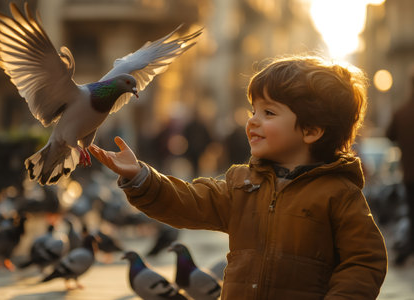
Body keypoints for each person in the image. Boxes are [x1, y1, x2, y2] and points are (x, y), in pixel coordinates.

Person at [89, 55, 387, 299]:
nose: (252, 121)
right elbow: (189, 202)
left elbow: (364, 261)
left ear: (311, 131)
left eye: (269, 113)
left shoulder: (338, 193)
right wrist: (141, 176)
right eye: (253, 110)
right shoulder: (242, 183)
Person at [386, 71, 414, 265]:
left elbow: (389, 135)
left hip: (410, 175)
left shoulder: (402, 111)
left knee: (412, 214)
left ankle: (407, 249)